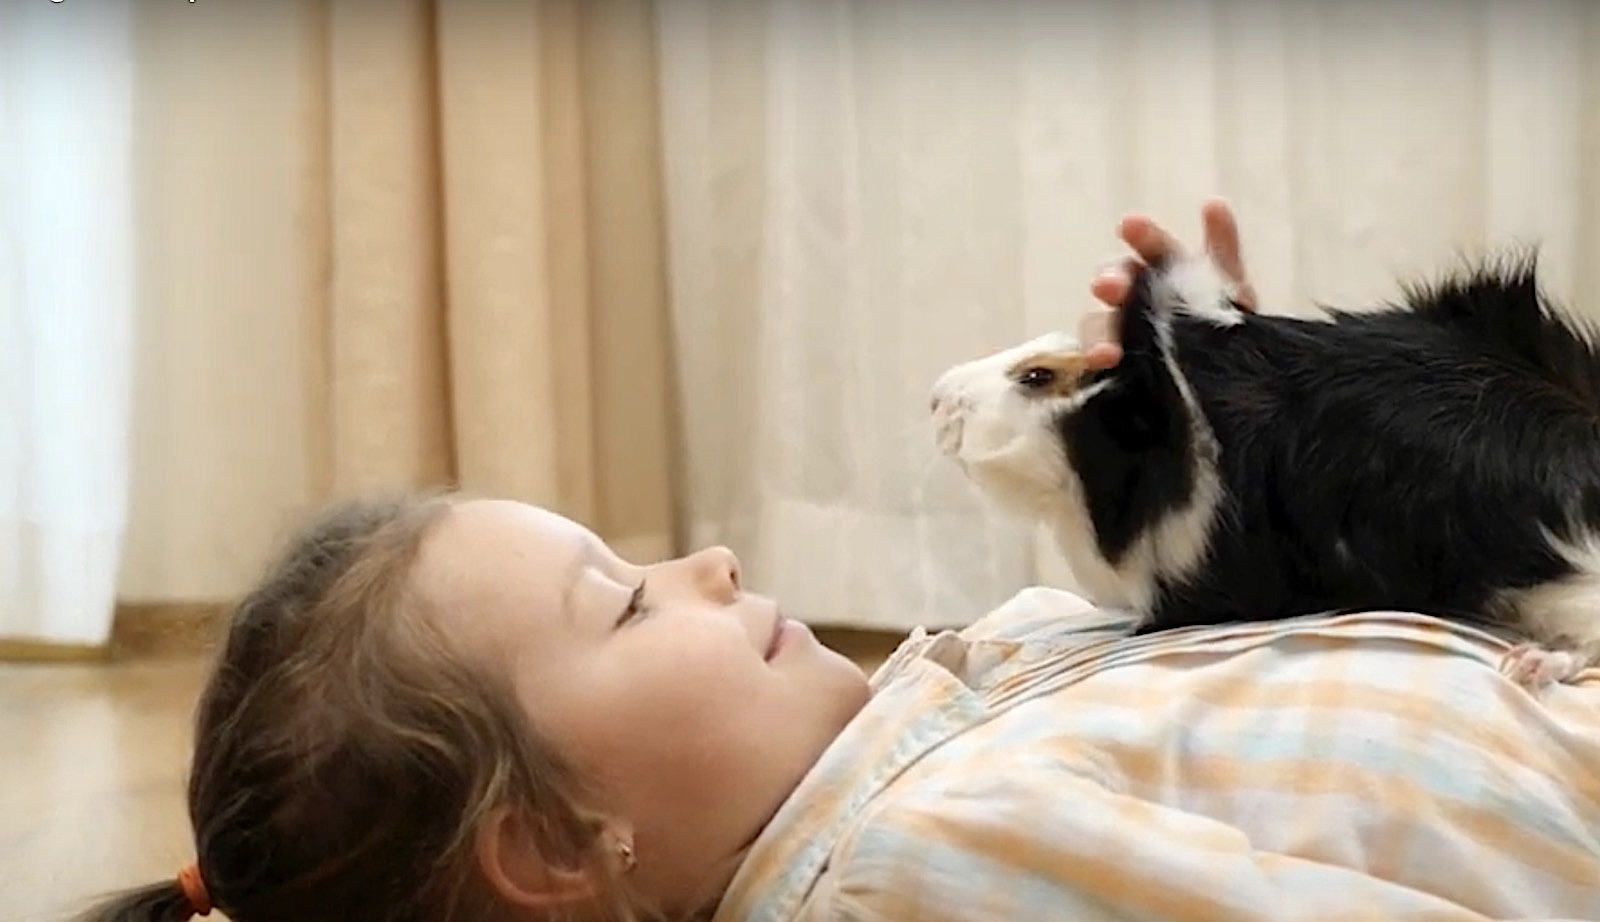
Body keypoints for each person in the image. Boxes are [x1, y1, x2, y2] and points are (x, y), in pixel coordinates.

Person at [74, 201, 1600, 922]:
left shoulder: (921, 740)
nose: (711, 562)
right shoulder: (909, 868)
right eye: (623, 601)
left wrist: (1241, 472)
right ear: (555, 844)